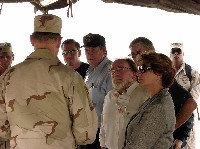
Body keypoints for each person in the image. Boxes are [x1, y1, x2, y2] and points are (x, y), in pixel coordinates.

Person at [0, 14, 98, 149]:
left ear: (31, 40)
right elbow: (86, 134)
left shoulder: (7, 77)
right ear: (59, 41)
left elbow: (2, 130)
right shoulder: (70, 77)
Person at [129, 37, 197, 149]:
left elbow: (190, 104)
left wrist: (171, 131)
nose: (135, 57)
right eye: (132, 54)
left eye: (139, 52)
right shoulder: (138, 74)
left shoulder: (159, 76)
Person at [124, 52, 176, 149]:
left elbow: (137, 146)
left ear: (159, 73)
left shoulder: (158, 107)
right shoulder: (157, 98)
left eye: (143, 69)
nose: (138, 73)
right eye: (139, 69)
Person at [99, 58, 148, 149]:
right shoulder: (109, 96)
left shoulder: (145, 95)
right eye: (112, 70)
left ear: (134, 74)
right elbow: (104, 124)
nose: (115, 73)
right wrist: (103, 144)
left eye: (120, 69)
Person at [81, 33, 113, 149]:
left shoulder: (111, 72)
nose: (89, 54)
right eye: (87, 50)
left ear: (103, 50)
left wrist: (106, 138)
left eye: (93, 50)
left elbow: (113, 108)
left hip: (101, 132)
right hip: (88, 129)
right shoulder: (90, 71)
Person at [170, 42, 200, 149]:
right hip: (168, 118)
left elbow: (192, 100)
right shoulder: (165, 72)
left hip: (186, 119)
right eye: (174, 52)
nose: (176, 54)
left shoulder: (192, 73)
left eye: (179, 52)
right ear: (170, 54)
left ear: (183, 54)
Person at [0, 42, 14, 149]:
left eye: (7, 56)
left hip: (15, 135)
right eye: (0, 57)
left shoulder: (21, 77)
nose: (4, 60)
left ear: (13, 57)